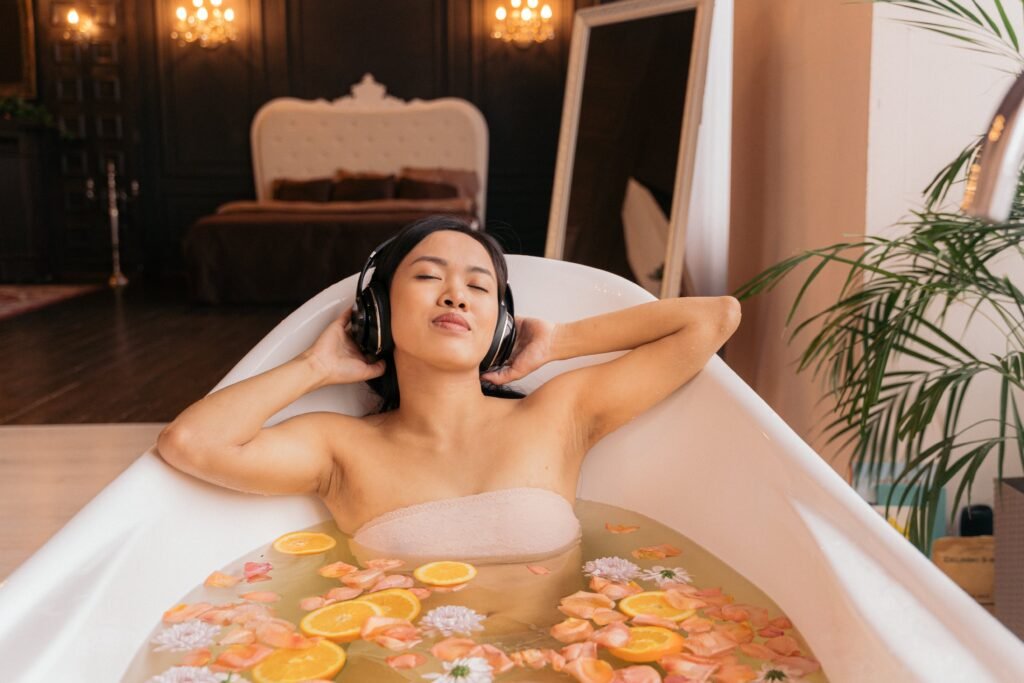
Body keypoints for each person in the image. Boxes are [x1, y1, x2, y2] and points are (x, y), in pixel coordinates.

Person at [156, 214, 740, 635]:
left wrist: (559, 341)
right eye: (428, 277)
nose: (456, 296)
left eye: (479, 286)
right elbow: (189, 442)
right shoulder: (339, 447)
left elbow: (713, 319)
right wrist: (316, 366)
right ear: (379, 310)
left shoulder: (557, 414)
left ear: (500, 324)